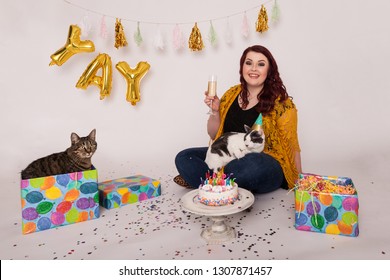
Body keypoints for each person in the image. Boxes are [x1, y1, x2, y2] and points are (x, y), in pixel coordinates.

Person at [174, 45, 302, 193]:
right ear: (242, 67)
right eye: (249, 63)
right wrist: (215, 112)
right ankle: (220, 184)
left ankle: (204, 179)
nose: (254, 68)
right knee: (184, 157)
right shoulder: (231, 94)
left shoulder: (282, 104)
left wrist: (300, 180)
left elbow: (292, 145)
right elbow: (214, 136)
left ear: (269, 70)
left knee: (249, 165)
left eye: (260, 64)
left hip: (262, 163)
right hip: (229, 155)